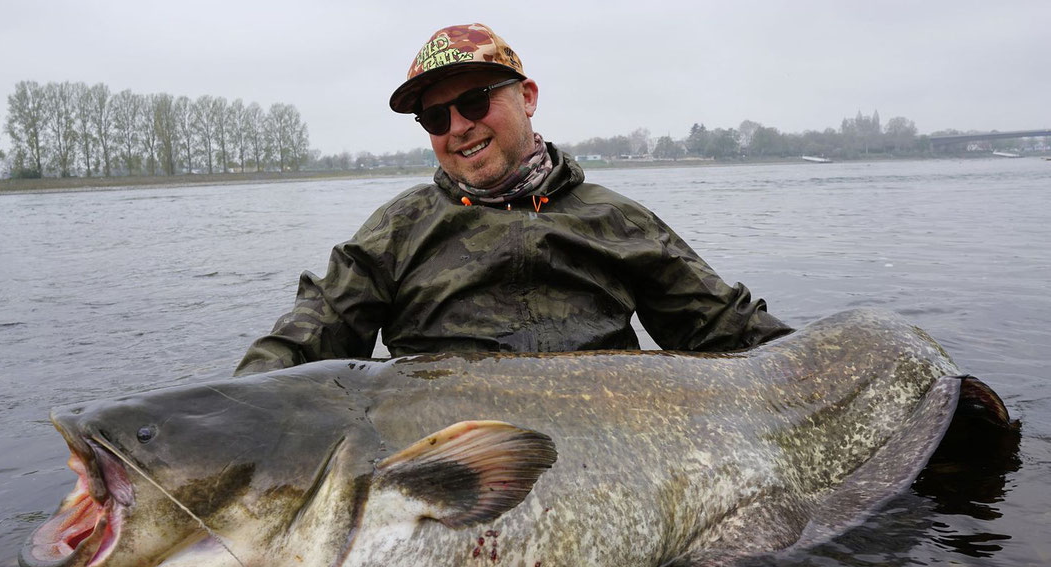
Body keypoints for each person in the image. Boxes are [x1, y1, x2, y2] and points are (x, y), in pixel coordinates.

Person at [234, 23, 790, 376]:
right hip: (451, 457)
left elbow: (726, 331)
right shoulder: (400, 227)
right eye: (435, 116)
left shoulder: (616, 218)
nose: (457, 127)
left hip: (607, 438)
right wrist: (235, 404)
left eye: (475, 102)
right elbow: (311, 332)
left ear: (527, 97)